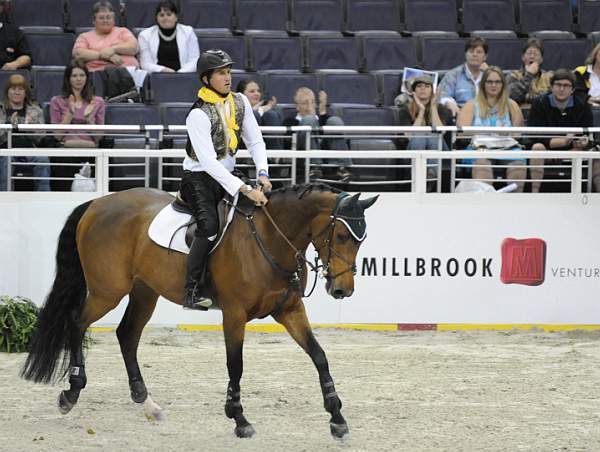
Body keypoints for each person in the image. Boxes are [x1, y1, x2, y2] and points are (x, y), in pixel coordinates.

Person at [181, 49, 270, 310]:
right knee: (208, 226)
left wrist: (263, 172)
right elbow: (208, 162)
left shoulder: (240, 101)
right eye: (221, 73)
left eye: (229, 72)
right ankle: (191, 291)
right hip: (199, 178)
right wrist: (243, 188)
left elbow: (255, 140)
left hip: (228, 175)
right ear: (206, 79)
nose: (227, 77)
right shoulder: (197, 114)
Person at [457, 66, 526, 192]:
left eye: (497, 82)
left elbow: (518, 134)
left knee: (518, 164)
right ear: (483, 84)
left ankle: (516, 203)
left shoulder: (512, 105)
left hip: (507, 149)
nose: (493, 85)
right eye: (489, 82)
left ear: (503, 84)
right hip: (479, 149)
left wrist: (508, 133)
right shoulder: (471, 105)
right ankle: (487, 204)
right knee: (482, 163)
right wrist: (485, 132)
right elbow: (461, 134)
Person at [528, 69, 596, 193]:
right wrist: (562, 141)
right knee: (537, 147)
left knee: (591, 153)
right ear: (552, 87)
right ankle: (535, 193)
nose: (561, 89)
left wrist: (583, 142)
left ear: (573, 90)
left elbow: (587, 132)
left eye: (566, 86)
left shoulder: (582, 105)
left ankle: (581, 194)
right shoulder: (539, 103)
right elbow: (534, 136)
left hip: (573, 148)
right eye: (558, 85)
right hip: (546, 146)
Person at [49, 61, 106, 191]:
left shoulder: (98, 102)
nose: (78, 79)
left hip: (91, 150)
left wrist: (89, 120)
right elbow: (57, 136)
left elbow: (99, 138)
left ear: (87, 78)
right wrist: (70, 114)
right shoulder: (57, 101)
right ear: (68, 79)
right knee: (63, 165)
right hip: (66, 149)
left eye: (82, 75)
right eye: (74, 76)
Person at [282, 87, 352, 181]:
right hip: (302, 156)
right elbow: (287, 143)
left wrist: (322, 113)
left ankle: (341, 167)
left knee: (335, 120)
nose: (309, 106)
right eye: (305, 103)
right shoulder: (290, 121)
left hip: (326, 154)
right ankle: (314, 167)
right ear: (297, 106)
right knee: (309, 120)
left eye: (312, 102)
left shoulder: (323, 119)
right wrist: (310, 119)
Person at [0, 74, 49, 191]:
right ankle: (4, 199)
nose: (17, 92)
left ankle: (44, 197)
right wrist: (8, 125)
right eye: (13, 89)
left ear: (25, 93)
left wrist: (29, 128)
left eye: (20, 89)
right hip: (6, 150)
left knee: (43, 159)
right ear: (7, 91)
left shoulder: (36, 110)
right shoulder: (0, 110)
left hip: (29, 150)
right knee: (6, 161)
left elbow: (41, 137)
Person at [73, 1, 139, 73]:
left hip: (127, 73)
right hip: (97, 75)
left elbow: (134, 47)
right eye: (101, 18)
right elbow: (78, 54)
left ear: (113, 20)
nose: (105, 20)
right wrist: (102, 55)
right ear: (94, 21)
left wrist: (113, 49)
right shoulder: (84, 36)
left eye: (108, 17)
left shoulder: (123, 31)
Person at [138, 1, 200, 74]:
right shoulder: (145, 35)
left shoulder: (188, 32)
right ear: (156, 18)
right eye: (161, 15)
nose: (165, 18)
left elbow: (194, 60)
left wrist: (178, 74)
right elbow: (145, 64)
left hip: (184, 75)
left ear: (176, 17)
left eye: (169, 14)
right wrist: (164, 70)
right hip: (157, 76)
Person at [396, 75, 453, 150]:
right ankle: (420, 162)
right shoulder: (405, 110)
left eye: (427, 86)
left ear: (432, 91)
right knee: (419, 137)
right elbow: (410, 136)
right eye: (419, 86)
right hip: (412, 151)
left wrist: (433, 107)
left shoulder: (441, 109)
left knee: (433, 137)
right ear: (414, 91)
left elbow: (440, 132)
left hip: (440, 150)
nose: (423, 88)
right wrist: (421, 111)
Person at [438, 37, 489, 117]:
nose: (474, 54)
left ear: (485, 56)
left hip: (487, 116)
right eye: (471, 51)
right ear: (466, 54)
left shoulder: (490, 75)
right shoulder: (453, 74)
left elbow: (502, 97)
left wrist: (489, 74)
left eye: (479, 52)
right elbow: (442, 94)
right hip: (461, 115)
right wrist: (449, 103)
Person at [236, 79, 283, 150]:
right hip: (243, 148)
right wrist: (257, 111)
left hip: (266, 148)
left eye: (258, 91)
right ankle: (248, 160)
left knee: (271, 115)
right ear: (241, 95)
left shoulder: (269, 111)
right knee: (255, 115)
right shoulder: (234, 108)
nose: (257, 93)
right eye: (252, 91)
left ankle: (275, 158)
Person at [507, 38, 552, 107]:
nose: (532, 56)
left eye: (536, 54)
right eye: (529, 53)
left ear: (541, 59)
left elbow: (551, 98)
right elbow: (511, 97)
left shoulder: (548, 77)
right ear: (523, 57)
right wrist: (529, 75)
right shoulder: (513, 75)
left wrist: (526, 97)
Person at [0, 0, 31, 70]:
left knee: (16, 80)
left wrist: (15, 64)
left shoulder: (15, 32)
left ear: (1, 8)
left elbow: (26, 57)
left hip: (7, 74)